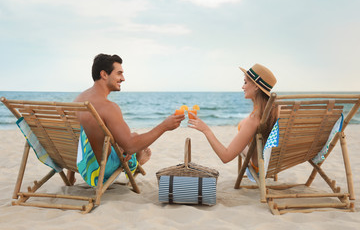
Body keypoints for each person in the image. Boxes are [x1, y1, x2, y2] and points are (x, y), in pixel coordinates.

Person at [67, 53, 185, 185]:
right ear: (104, 75)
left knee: (122, 140)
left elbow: (79, 136)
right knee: (134, 142)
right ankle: (137, 162)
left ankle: (71, 175)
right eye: (119, 73)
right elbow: (131, 146)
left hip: (81, 162)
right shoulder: (108, 107)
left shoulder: (78, 100)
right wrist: (164, 126)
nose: (123, 79)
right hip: (99, 170)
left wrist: (118, 145)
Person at [188, 63, 278, 171]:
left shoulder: (254, 119)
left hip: (261, 165)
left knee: (237, 145)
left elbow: (225, 157)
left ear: (255, 87)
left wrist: (206, 130)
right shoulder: (277, 109)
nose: (242, 86)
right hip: (276, 162)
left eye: (245, 82)